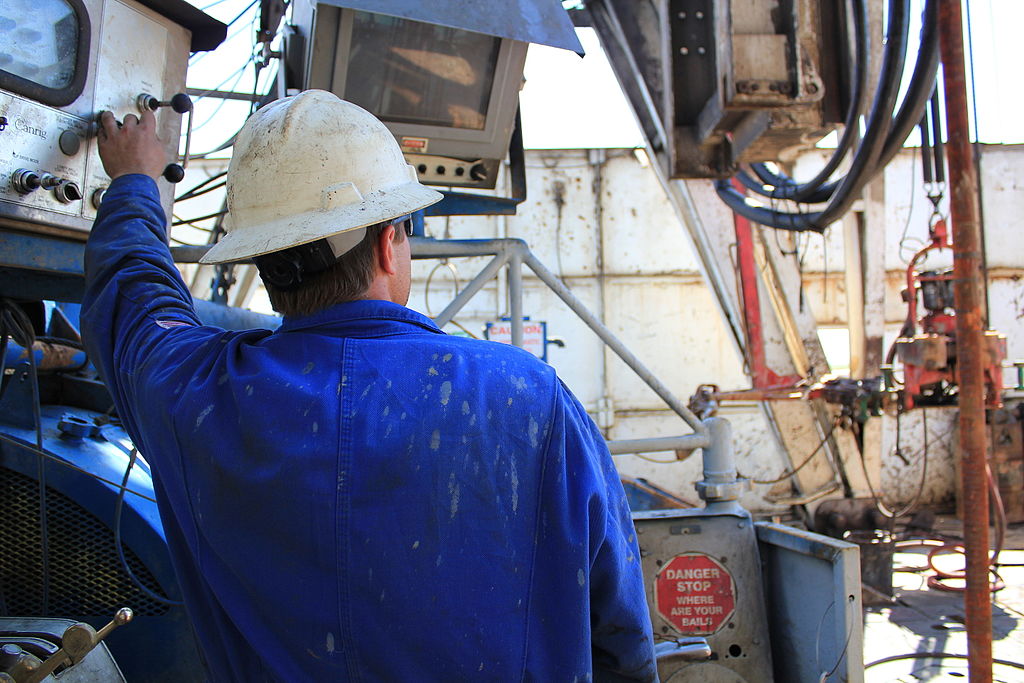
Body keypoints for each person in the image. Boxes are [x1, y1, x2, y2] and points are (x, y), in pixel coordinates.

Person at [82, 89, 656, 681]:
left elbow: (133, 295)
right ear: (388, 243)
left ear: (265, 263)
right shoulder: (530, 400)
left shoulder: (192, 395)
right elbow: (620, 635)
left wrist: (134, 180)